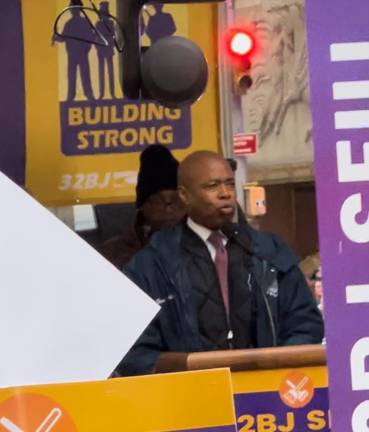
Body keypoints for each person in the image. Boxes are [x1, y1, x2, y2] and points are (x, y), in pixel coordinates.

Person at [112, 151, 324, 376]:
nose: (225, 194)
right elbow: (135, 350)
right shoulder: (152, 265)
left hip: (266, 398)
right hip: (190, 400)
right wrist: (181, 373)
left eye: (229, 184)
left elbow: (305, 323)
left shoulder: (268, 252)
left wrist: (276, 369)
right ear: (184, 195)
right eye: (212, 186)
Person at [100, 145, 186, 268]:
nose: (168, 209)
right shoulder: (112, 253)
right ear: (142, 206)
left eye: (175, 200)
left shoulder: (204, 244)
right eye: (158, 200)